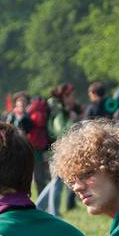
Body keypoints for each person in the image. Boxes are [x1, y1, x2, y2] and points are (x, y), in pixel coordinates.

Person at [36, 83, 81, 215]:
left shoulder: (57, 107)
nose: (74, 99)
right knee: (57, 181)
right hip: (56, 149)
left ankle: (39, 208)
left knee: (56, 181)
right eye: (72, 96)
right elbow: (60, 131)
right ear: (65, 96)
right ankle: (54, 213)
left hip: (54, 148)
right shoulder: (58, 109)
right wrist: (72, 120)